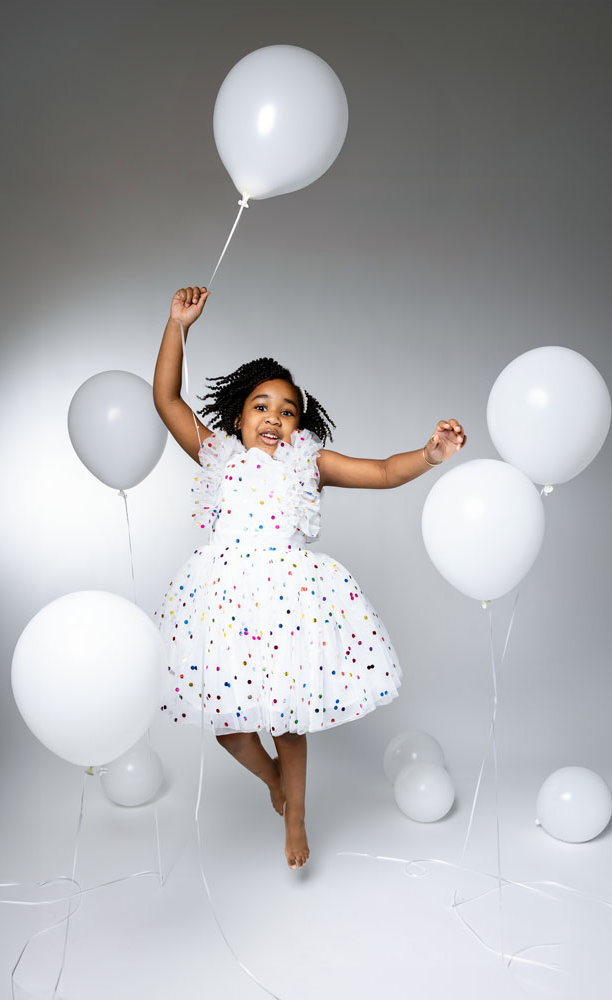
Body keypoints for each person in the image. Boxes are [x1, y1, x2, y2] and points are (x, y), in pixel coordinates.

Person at [153, 285, 467, 870]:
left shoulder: (309, 465)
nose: (275, 418)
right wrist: (178, 325)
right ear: (239, 416)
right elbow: (166, 398)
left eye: (288, 410)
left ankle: (296, 815)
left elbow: (379, 471)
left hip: (287, 601)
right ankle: (273, 780)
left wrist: (428, 454)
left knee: (287, 719)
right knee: (229, 726)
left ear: (300, 426)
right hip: (223, 601)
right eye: (262, 406)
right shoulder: (217, 455)